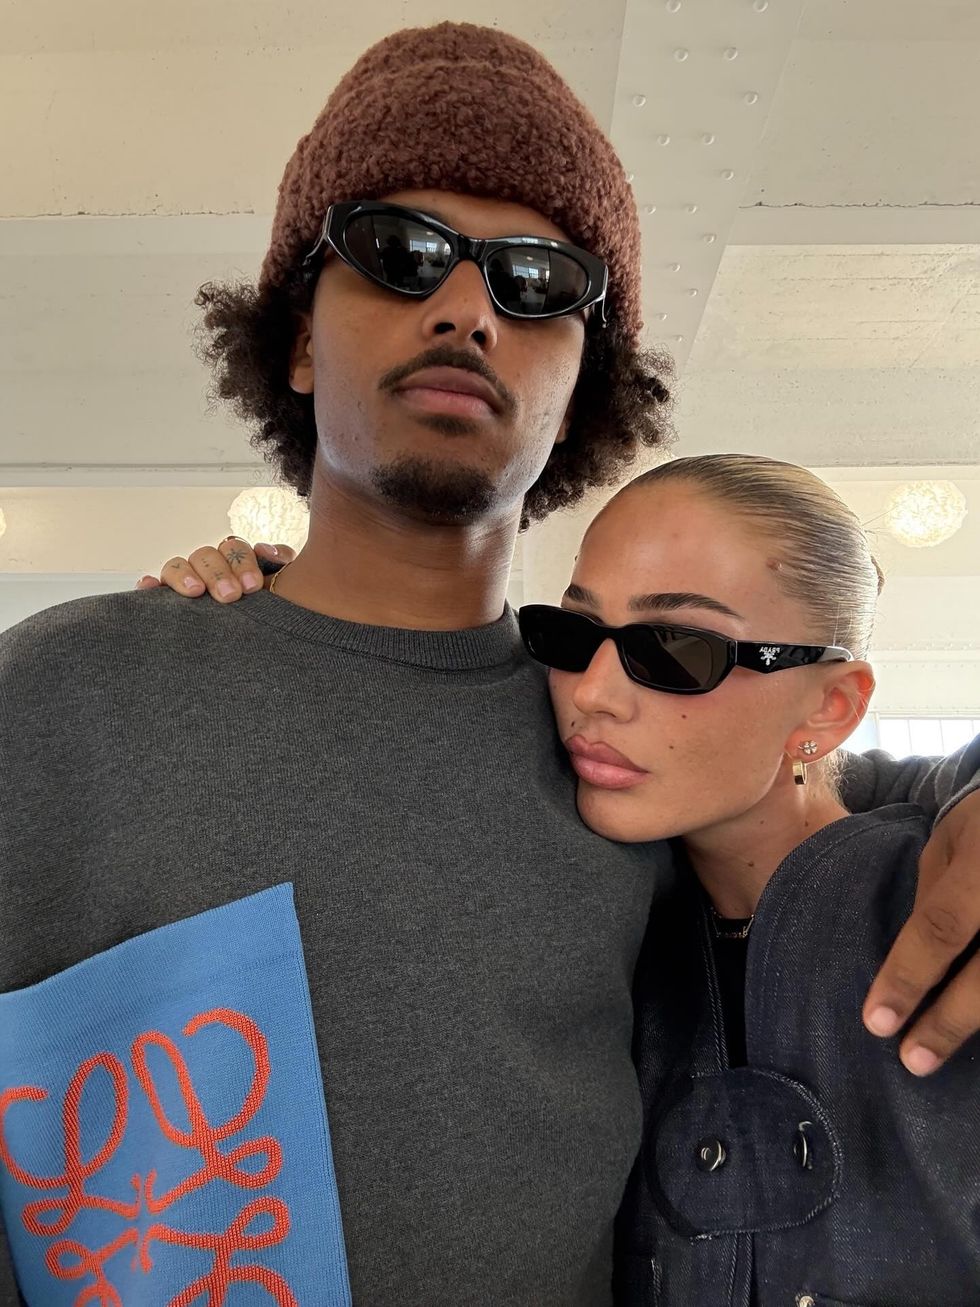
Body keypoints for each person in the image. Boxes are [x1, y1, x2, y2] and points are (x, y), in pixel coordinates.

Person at [1, 21, 978, 1307]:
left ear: (582, 388)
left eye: (535, 280)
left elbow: (831, 792)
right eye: (398, 252)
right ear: (297, 338)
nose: (467, 308)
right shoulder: (65, 696)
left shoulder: (607, 743)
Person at [514, 453, 979, 1305]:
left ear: (829, 706)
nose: (592, 693)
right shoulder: (590, 926)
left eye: (676, 647)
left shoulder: (947, 911)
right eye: (572, 634)